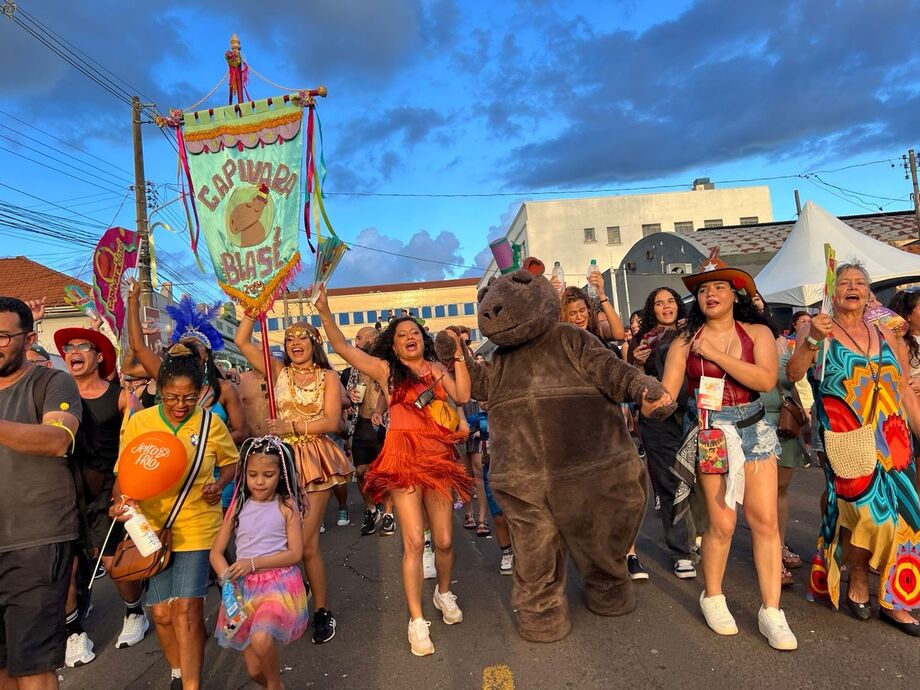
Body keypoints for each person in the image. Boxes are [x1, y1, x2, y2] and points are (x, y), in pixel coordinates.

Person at [313, 285, 470, 657]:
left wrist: (458, 355)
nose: (409, 337)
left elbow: (463, 396)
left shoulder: (436, 369)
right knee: (413, 541)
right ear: (393, 345)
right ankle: (416, 619)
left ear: (422, 339)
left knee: (444, 541)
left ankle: (443, 592)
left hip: (438, 460)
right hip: (402, 462)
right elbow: (343, 348)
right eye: (402, 335)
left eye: (414, 332)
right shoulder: (386, 371)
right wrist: (324, 312)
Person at [662, 251, 797, 651]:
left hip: (754, 429)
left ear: (735, 293)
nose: (711, 294)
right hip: (711, 432)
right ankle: (714, 596)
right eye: (704, 289)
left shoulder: (757, 334)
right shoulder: (684, 340)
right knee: (721, 523)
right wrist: (647, 398)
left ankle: (772, 610)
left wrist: (716, 355)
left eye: (719, 287)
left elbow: (766, 380)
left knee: (766, 522)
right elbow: (669, 391)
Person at [787, 263, 920, 635]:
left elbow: (903, 390)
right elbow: (794, 373)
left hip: (893, 437)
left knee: (908, 520)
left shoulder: (887, 333)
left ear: (868, 292)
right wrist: (813, 339)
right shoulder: (817, 329)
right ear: (833, 290)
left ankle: (896, 601)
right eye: (844, 282)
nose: (852, 287)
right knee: (869, 517)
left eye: (860, 282)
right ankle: (858, 575)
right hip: (847, 436)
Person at [112, 345, 239, 690]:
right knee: (162, 613)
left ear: (200, 393)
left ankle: (191, 685)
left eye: (189, 397)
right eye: (171, 397)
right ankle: (179, 671)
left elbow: (231, 463)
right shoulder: (140, 422)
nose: (180, 404)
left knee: (186, 609)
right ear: (159, 391)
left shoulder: (211, 423)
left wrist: (219, 484)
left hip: (198, 524)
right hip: (152, 529)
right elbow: (123, 472)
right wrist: (120, 503)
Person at [234, 317, 351, 645]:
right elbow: (242, 341)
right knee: (285, 540)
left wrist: (292, 427)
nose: (295, 343)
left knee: (306, 543)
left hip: (314, 459)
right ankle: (295, 592)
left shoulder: (328, 377)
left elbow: (332, 421)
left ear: (315, 343)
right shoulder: (278, 372)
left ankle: (322, 610)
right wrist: (253, 305)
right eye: (289, 339)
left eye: (302, 337)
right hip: (280, 461)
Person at [51, 327, 147, 668]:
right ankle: (74, 631)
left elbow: (139, 443)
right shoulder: (53, 393)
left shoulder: (122, 397)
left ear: (99, 356)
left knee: (112, 562)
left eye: (83, 346)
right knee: (63, 565)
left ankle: (135, 612)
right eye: (69, 347)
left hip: (110, 488)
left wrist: (129, 485)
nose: (74, 352)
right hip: (63, 489)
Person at [0, 296, 82, 690]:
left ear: (28, 339)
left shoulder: (52, 382)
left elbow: (57, 440)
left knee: (32, 664)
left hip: (36, 540)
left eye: (2, 336)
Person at [559, 286, 648, 579]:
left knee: (621, 491)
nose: (579, 317)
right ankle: (599, 558)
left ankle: (630, 554)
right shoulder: (561, 345)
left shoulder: (599, 337)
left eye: (582, 311)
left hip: (610, 423)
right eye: (572, 313)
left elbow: (620, 331)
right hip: (578, 427)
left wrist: (602, 296)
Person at [210, 437, 308, 690]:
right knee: (254, 671)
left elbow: (295, 553)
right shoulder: (238, 506)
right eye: (252, 475)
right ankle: (275, 685)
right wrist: (227, 580)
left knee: (261, 638)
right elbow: (216, 553)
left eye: (268, 475)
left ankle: (274, 686)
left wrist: (253, 563)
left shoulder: (287, 506)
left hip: (278, 583)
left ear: (281, 474)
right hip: (241, 590)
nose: (260, 481)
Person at [627, 287, 697, 579]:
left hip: (694, 413)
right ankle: (681, 551)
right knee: (670, 482)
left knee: (700, 480)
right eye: (659, 303)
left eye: (670, 301)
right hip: (658, 419)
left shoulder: (693, 331)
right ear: (651, 309)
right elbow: (631, 384)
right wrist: (637, 363)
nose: (666, 307)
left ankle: (697, 535)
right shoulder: (641, 342)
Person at [127, 281, 248, 445]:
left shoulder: (224, 388)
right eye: (185, 344)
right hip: (171, 456)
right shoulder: (166, 376)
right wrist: (133, 301)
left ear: (207, 355)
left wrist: (203, 443)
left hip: (210, 459)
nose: (190, 348)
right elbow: (138, 347)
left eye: (197, 344)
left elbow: (242, 432)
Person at [340, 326, 392, 536]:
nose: (356, 343)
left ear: (373, 339)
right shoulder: (353, 369)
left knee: (386, 471)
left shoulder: (386, 364)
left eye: (360, 338)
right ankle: (371, 510)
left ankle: (388, 514)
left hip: (385, 425)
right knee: (361, 472)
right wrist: (350, 395)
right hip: (361, 424)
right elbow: (345, 399)